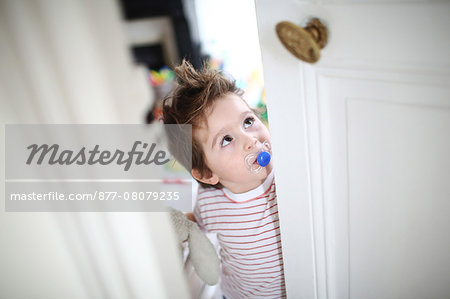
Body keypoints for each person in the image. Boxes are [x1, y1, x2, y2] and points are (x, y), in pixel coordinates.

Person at [163, 60, 285, 298]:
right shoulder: (209, 202)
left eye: (248, 121)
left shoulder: (288, 181)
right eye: (226, 139)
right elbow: (194, 221)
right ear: (207, 174)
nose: (251, 140)